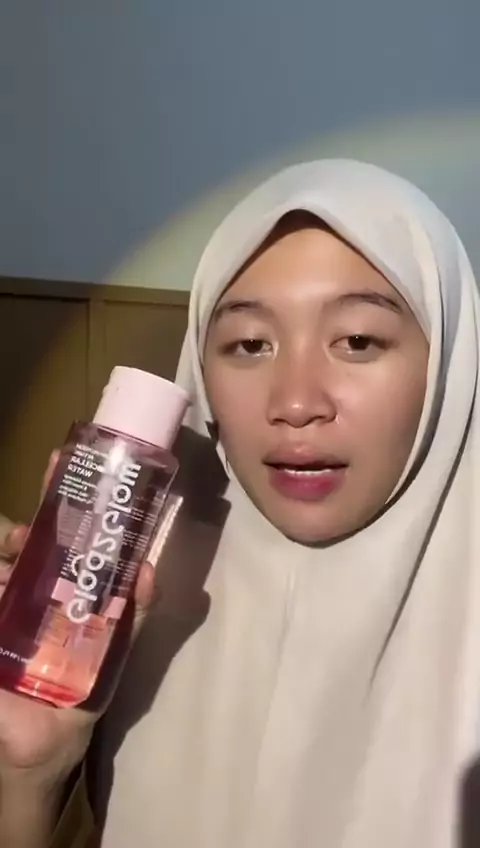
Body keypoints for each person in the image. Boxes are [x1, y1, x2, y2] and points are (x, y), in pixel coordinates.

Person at [1, 158, 479, 848]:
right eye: (250, 344)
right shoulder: (127, 621)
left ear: (449, 368)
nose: (296, 403)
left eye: (357, 341)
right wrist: (29, 776)